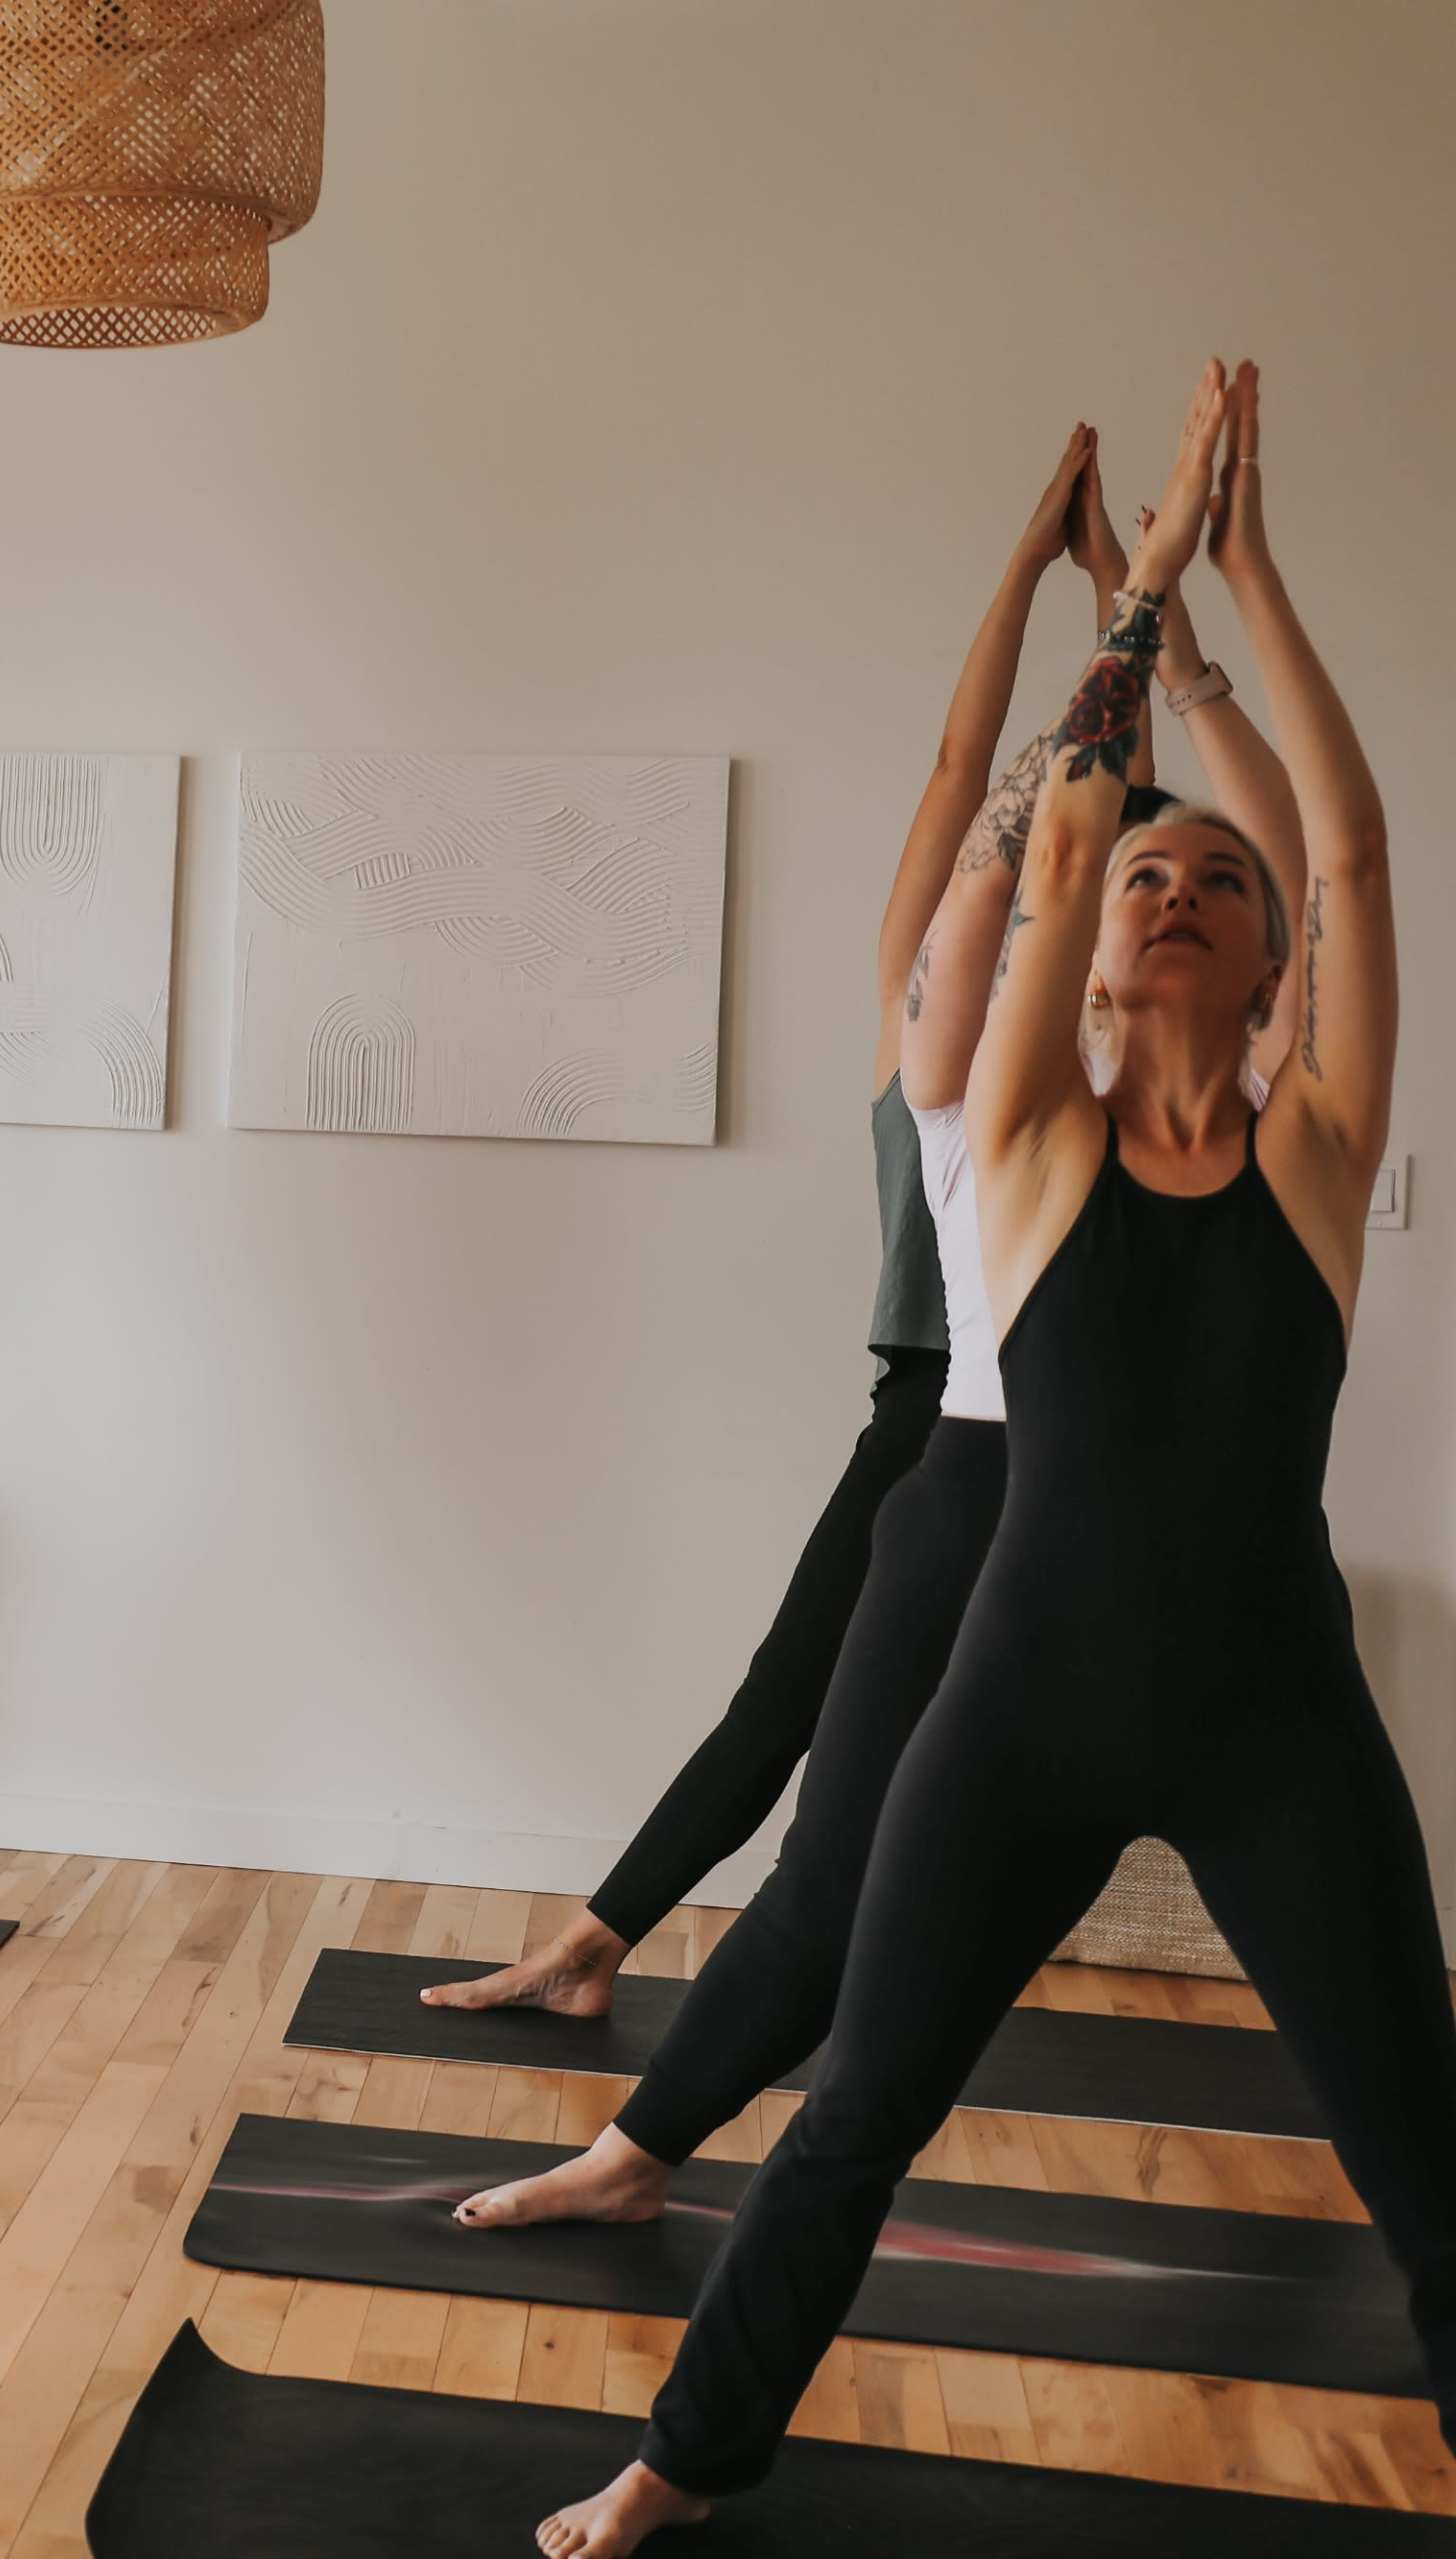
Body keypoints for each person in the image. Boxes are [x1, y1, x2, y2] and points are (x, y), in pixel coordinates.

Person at [543, 360, 1453, 2556]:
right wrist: (1119, 614)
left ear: (1266, 963)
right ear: (1106, 956)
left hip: (1277, 1724)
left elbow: (1351, 835)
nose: (1176, 888)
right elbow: (1045, 823)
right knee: (860, 2102)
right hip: (1020, 1706)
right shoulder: (1028, 1149)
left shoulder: (1317, 1153)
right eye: (1149, 874)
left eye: (1215, 885)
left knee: (1420, 2129)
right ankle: (683, 2451)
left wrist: (1239, 598)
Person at [457, 390, 1309, 2234]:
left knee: (910, 1840)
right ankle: (639, 2114)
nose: (981, 934)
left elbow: (1135, 839)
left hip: (1113, 1479)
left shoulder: (1118, 1050)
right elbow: (990, 796)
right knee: (839, 1828)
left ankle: (639, 2024)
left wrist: (1139, 620)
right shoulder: (953, 1060)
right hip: (961, 1446)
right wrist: (1085, 597)